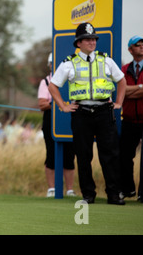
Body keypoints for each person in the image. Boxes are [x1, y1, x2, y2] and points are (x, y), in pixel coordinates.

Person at [48, 22, 126, 205]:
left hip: (104, 111)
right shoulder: (69, 63)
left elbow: (121, 81)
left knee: (110, 154)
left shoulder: (105, 60)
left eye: (93, 39)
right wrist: (63, 106)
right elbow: (53, 86)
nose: (92, 42)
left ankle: (113, 194)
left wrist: (119, 103)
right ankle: (88, 194)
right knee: (83, 155)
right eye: (87, 39)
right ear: (78, 43)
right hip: (81, 113)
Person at [120, 36, 143, 198]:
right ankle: (128, 190)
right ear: (130, 49)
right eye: (137, 45)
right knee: (124, 156)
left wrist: (129, 91)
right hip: (129, 119)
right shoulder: (124, 69)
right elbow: (120, 91)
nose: (142, 47)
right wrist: (139, 89)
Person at [37, 53, 75, 198]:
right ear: (50, 65)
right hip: (51, 120)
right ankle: (51, 188)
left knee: (69, 156)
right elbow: (42, 104)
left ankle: (70, 189)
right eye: (52, 63)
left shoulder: (70, 79)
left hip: (68, 119)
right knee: (51, 155)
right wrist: (57, 103)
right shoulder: (45, 82)